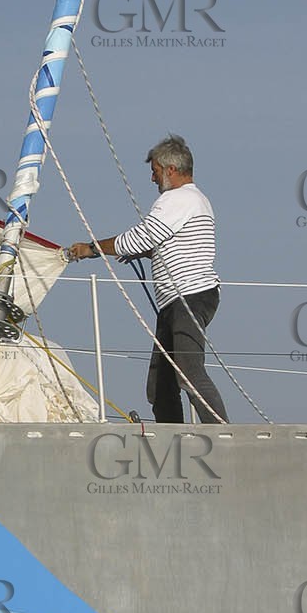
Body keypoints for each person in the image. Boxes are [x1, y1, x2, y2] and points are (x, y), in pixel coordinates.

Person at [68, 134, 228, 423]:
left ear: (170, 169)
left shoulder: (179, 199)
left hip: (188, 297)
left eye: (154, 172)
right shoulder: (194, 201)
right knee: (160, 384)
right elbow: (163, 242)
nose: (153, 179)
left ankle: (222, 433)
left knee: (189, 373)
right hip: (178, 301)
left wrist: (92, 249)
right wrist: (143, 252)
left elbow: (140, 237)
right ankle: (173, 437)